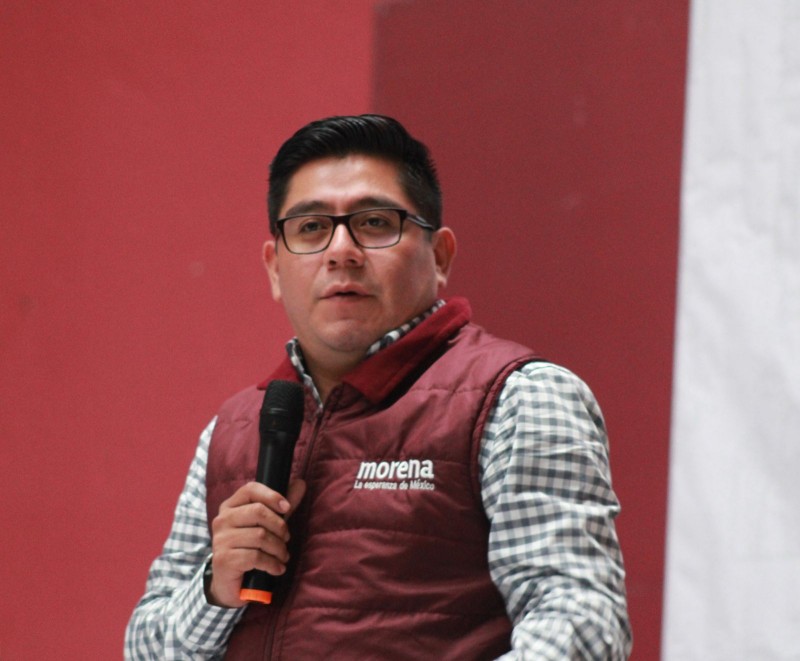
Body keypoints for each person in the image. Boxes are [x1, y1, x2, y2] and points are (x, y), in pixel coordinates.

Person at [125, 114, 632, 659]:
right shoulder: (233, 430)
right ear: (274, 267)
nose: (340, 250)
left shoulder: (518, 399)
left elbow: (581, 625)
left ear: (440, 256)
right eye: (311, 228)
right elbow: (144, 647)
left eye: (373, 223)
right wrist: (213, 590)